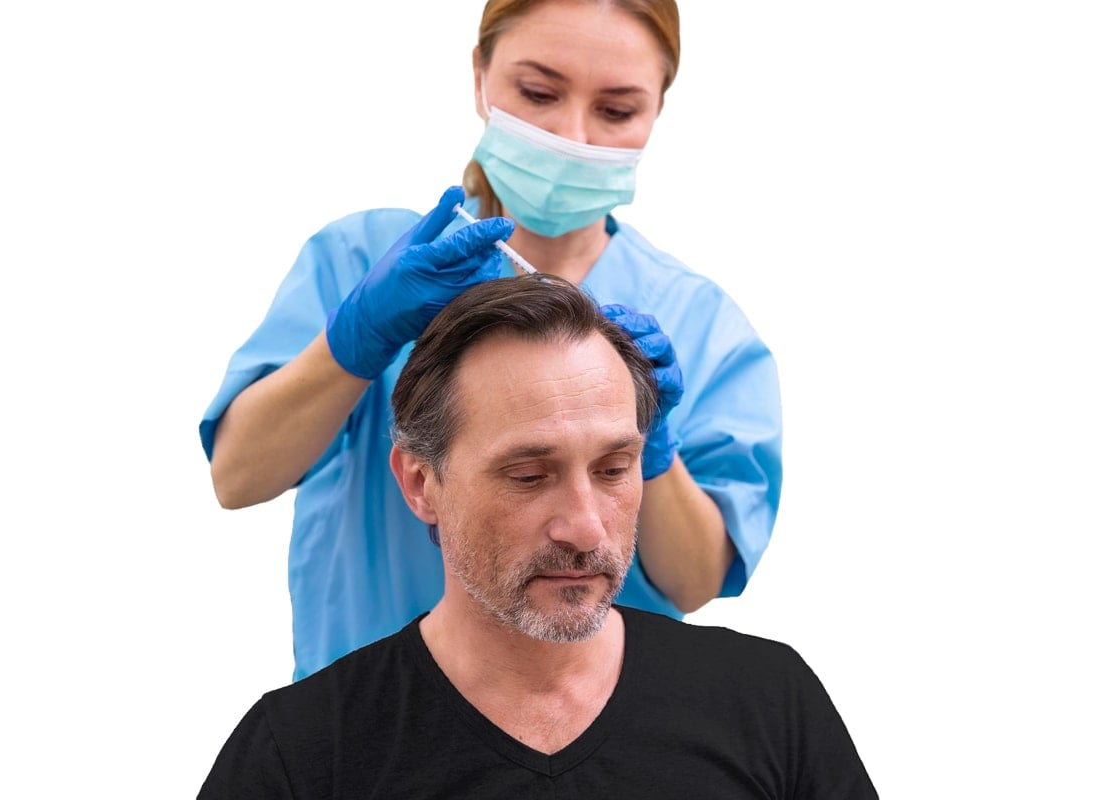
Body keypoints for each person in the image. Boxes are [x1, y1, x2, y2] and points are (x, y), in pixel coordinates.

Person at [201, 0, 782, 681]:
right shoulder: (363, 259)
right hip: (375, 711)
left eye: (616, 109)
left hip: (604, 724)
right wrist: (358, 338)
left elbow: (694, 583)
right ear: (480, 76)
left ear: (657, 110)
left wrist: (650, 448)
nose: (572, 136)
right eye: (538, 93)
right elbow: (238, 477)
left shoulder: (702, 323)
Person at [197, 277, 874, 799]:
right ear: (421, 483)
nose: (585, 527)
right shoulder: (302, 754)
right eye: (528, 476)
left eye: (614, 468)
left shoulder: (770, 705)